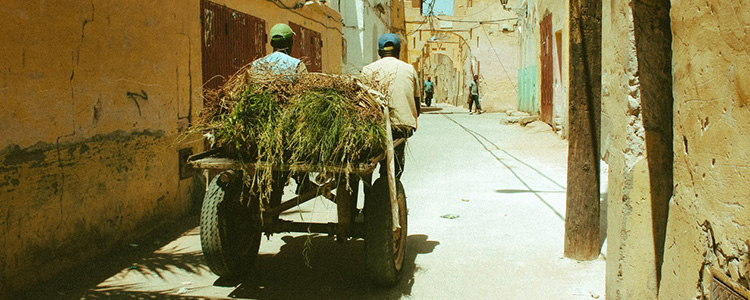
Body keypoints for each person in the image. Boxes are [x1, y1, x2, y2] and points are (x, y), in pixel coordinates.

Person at [361, 33, 419, 180]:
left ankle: (370, 195)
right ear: (398, 51)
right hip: (400, 128)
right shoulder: (409, 70)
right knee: (396, 167)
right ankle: (389, 186)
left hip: (374, 127)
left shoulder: (367, 70)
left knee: (366, 163)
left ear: (379, 52)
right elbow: (417, 107)